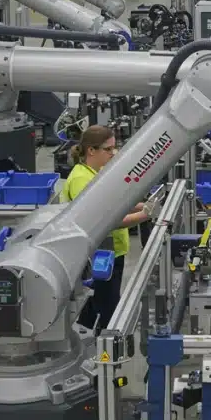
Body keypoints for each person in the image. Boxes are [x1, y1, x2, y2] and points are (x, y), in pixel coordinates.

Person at [64, 125, 153, 333]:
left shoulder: (97, 173)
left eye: (115, 148)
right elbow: (103, 220)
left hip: (111, 251)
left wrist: (142, 205)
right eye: (108, 149)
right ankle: (99, 351)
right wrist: (144, 215)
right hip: (96, 256)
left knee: (106, 303)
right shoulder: (80, 179)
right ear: (91, 151)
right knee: (103, 307)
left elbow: (112, 205)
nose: (113, 154)